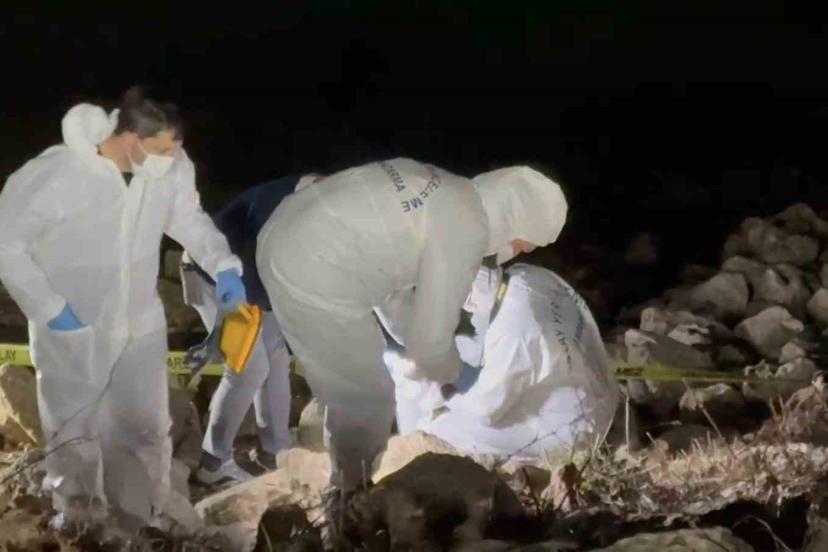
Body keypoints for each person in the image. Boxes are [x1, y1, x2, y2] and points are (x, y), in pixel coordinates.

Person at [0, 87, 246, 530]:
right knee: (73, 427)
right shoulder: (57, 174)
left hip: (139, 322)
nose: (171, 159)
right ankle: (79, 520)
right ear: (129, 138)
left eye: (175, 150)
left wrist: (223, 265)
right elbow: (5, 242)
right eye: (161, 150)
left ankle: (145, 516)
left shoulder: (169, 167)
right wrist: (49, 308)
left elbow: (188, 219)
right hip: (73, 325)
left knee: (146, 426)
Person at [255, 158, 568, 504]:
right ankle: (347, 499)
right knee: (367, 397)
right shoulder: (466, 230)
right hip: (312, 264)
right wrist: (459, 376)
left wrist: (424, 346)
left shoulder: (452, 192)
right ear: (514, 219)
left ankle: (346, 482)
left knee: (357, 381)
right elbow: (429, 344)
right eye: (524, 244)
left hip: (283, 229)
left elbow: (392, 292)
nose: (520, 252)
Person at [387, 263, 622, 461]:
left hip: (575, 429)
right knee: (462, 349)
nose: (464, 306)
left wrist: (438, 392)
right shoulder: (528, 275)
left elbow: (485, 411)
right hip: (597, 390)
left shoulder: (513, 332)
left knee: (434, 429)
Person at [179, 173, 319, 485]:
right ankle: (213, 464)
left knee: (276, 361)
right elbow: (257, 281)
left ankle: (276, 453)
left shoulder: (313, 206)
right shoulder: (274, 210)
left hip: (256, 281)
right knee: (249, 368)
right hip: (214, 277)